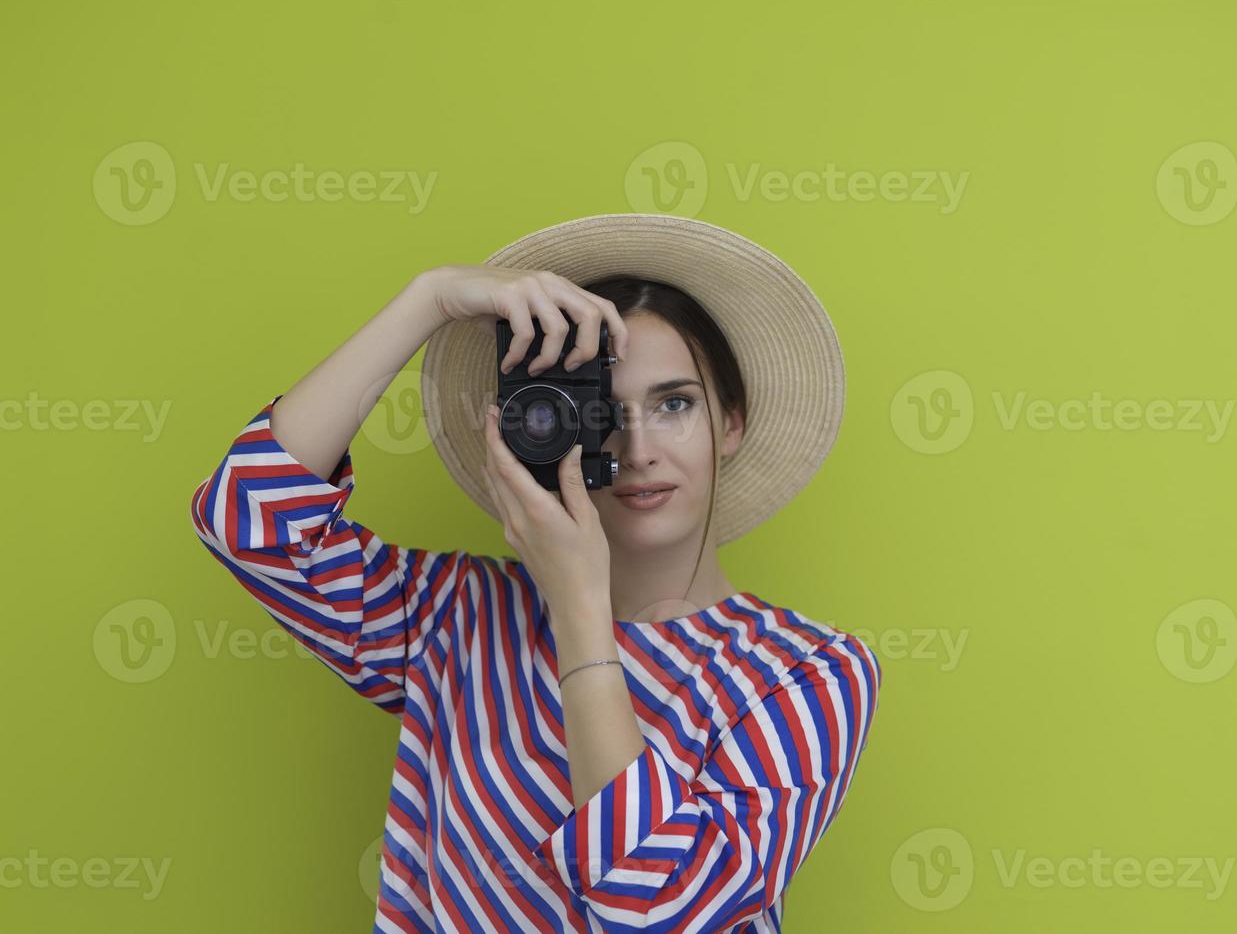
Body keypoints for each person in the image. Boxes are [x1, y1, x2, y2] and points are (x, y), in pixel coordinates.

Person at [189, 213, 883, 933]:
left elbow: (652, 908)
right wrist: (426, 301)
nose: (638, 447)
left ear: (729, 423)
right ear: (538, 427)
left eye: (674, 404)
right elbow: (246, 520)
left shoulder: (805, 675)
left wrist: (579, 608)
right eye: (601, 413)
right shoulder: (455, 616)